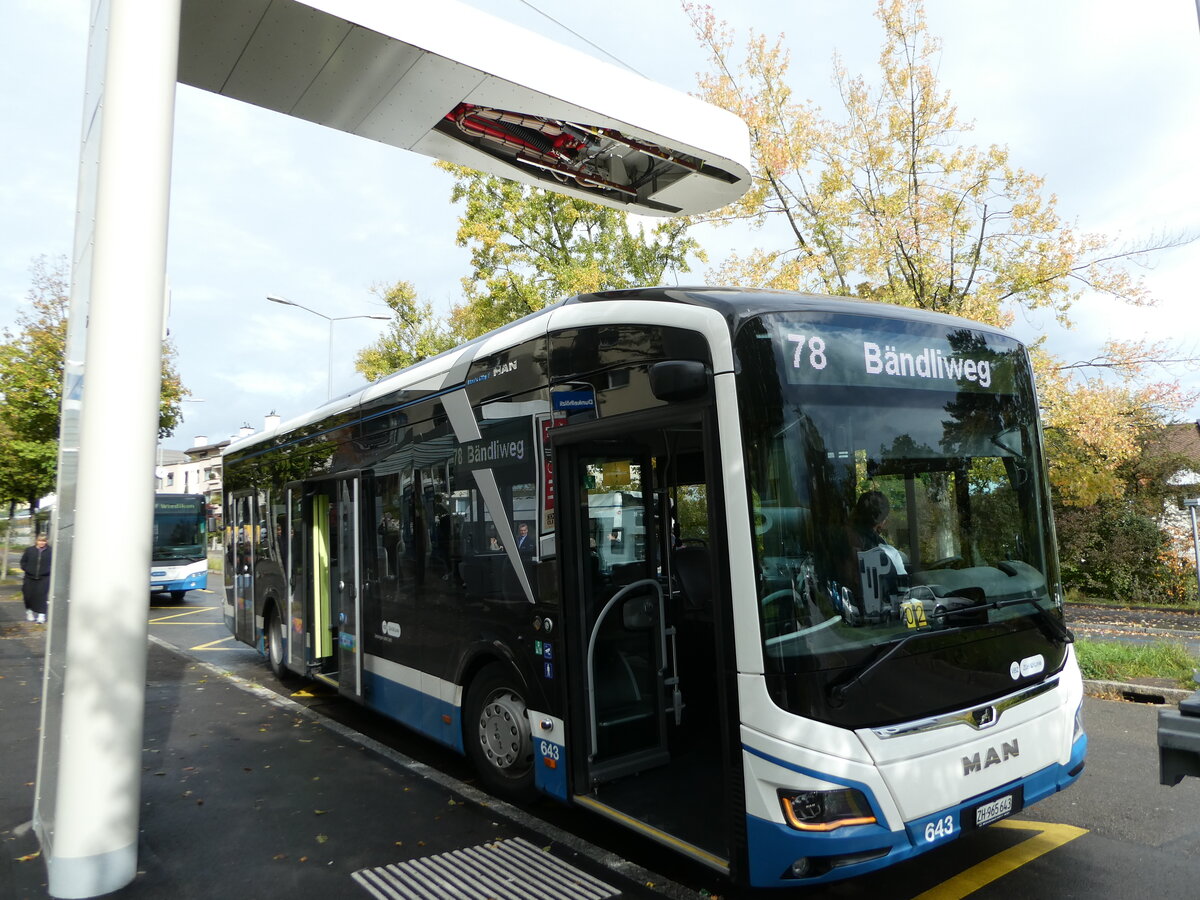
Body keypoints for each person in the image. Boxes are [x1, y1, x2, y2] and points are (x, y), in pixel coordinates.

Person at [20, 533, 52, 624]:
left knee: (41, 596)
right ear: (36, 541)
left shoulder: (50, 551)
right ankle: (29, 611)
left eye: (44, 541)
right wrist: (27, 569)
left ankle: (41, 615)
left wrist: (48, 571)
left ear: (46, 541)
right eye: (40, 541)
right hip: (29, 577)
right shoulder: (29, 550)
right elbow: (23, 561)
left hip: (44, 577)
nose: (41, 543)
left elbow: (53, 563)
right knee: (28, 595)